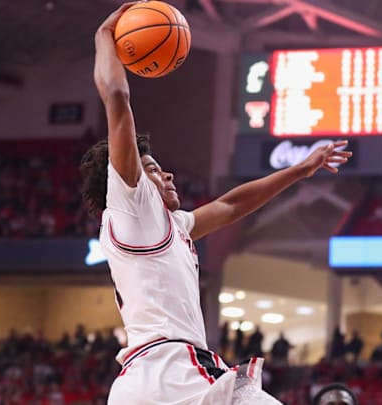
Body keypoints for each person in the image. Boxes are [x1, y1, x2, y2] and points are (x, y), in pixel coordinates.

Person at [81, 3, 352, 404]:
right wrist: (105, 36)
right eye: (154, 170)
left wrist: (300, 169)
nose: (167, 174)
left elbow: (230, 206)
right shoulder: (131, 205)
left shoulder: (168, 226)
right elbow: (118, 98)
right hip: (172, 372)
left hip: (145, 382)